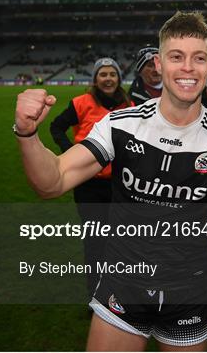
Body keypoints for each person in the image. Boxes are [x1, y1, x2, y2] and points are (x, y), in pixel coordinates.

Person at [14, 11, 207, 352]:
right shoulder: (121, 125)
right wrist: (27, 135)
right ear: (159, 64)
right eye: (177, 57)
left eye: (198, 58)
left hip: (188, 293)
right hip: (123, 288)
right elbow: (52, 181)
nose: (188, 68)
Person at [50, 57, 133, 297]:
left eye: (112, 74)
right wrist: (72, 153)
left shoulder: (130, 104)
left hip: (121, 186)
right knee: (95, 240)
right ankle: (95, 294)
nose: (108, 79)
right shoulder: (81, 103)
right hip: (89, 185)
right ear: (95, 79)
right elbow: (56, 126)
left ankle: (118, 289)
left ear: (118, 78)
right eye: (103, 74)